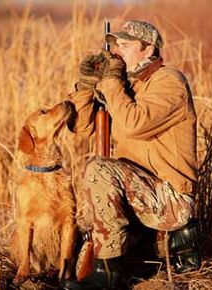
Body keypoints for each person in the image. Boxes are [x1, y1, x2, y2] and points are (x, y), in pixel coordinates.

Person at [60, 20, 200, 290]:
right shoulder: (129, 87)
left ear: (148, 50)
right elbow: (81, 127)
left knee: (98, 168)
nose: (117, 52)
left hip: (171, 200)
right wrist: (86, 86)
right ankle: (111, 263)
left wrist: (112, 82)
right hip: (141, 194)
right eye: (115, 46)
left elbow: (134, 123)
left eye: (125, 46)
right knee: (78, 265)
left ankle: (109, 276)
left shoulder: (170, 82)